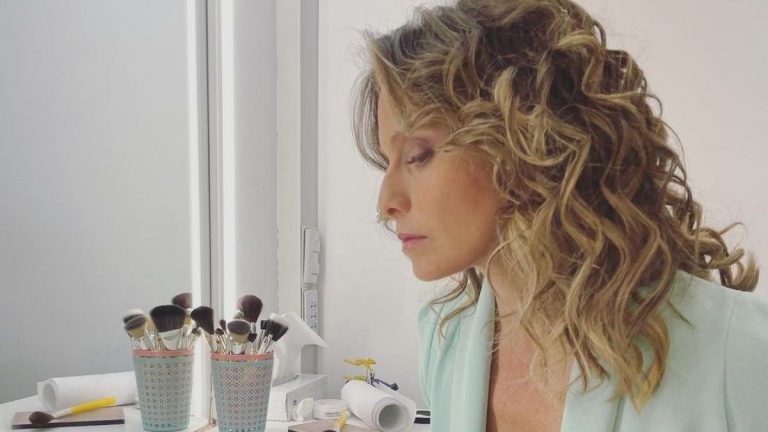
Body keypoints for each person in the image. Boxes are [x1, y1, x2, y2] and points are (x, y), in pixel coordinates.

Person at [351, 0, 768, 431]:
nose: (386, 201)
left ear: (523, 141)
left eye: (418, 155)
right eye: (387, 162)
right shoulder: (444, 338)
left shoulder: (736, 350)